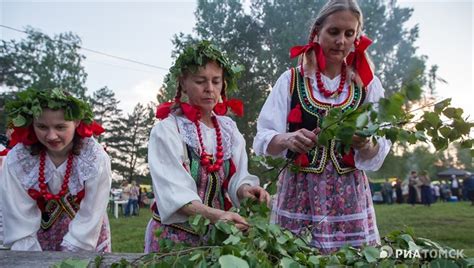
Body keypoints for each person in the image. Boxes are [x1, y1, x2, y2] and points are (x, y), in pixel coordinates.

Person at [253, 0, 391, 253]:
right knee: (297, 257)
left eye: (349, 34)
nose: (341, 40)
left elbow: (378, 147)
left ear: (357, 38)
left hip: (348, 196)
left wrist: (366, 143)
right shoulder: (292, 79)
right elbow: (263, 138)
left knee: (351, 258)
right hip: (299, 193)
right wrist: (287, 139)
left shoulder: (367, 84)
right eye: (334, 31)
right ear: (318, 31)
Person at [144, 41, 270, 253]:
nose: (210, 89)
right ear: (183, 83)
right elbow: (174, 193)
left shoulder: (228, 129)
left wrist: (246, 190)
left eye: (216, 81)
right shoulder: (167, 131)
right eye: (200, 81)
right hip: (174, 239)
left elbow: (235, 177)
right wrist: (216, 216)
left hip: (217, 238)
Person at [0, 88, 112, 252]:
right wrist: (29, 254)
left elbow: (92, 211)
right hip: (38, 238)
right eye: (42, 127)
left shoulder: (94, 158)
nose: (51, 136)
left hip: (87, 234)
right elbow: (17, 214)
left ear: (77, 122)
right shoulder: (19, 159)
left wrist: (75, 249)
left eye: (60, 127)